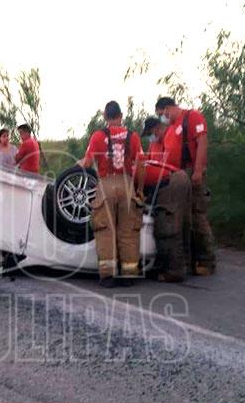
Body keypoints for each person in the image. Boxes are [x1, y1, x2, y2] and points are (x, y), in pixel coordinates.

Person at [78, 101, 145, 287]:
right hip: (127, 184)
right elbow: (140, 165)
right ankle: (130, 274)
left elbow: (87, 163)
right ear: (121, 115)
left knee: (105, 230)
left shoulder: (98, 136)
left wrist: (76, 166)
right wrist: (139, 190)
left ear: (106, 117)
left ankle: (108, 276)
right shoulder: (133, 137)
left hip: (106, 184)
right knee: (128, 231)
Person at [157, 96, 216, 276]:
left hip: (191, 172)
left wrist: (198, 170)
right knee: (182, 220)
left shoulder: (192, 117)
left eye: (162, 114)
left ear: (168, 108)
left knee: (197, 217)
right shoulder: (170, 130)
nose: (163, 117)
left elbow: (202, 142)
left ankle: (207, 261)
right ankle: (190, 261)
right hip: (177, 178)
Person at [143, 108, 192, 282]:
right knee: (182, 224)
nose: (150, 137)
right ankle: (187, 264)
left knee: (167, 227)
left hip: (172, 182)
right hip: (175, 180)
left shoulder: (170, 135)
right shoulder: (153, 145)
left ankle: (174, 271)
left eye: (150, 133)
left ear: (155, 128)